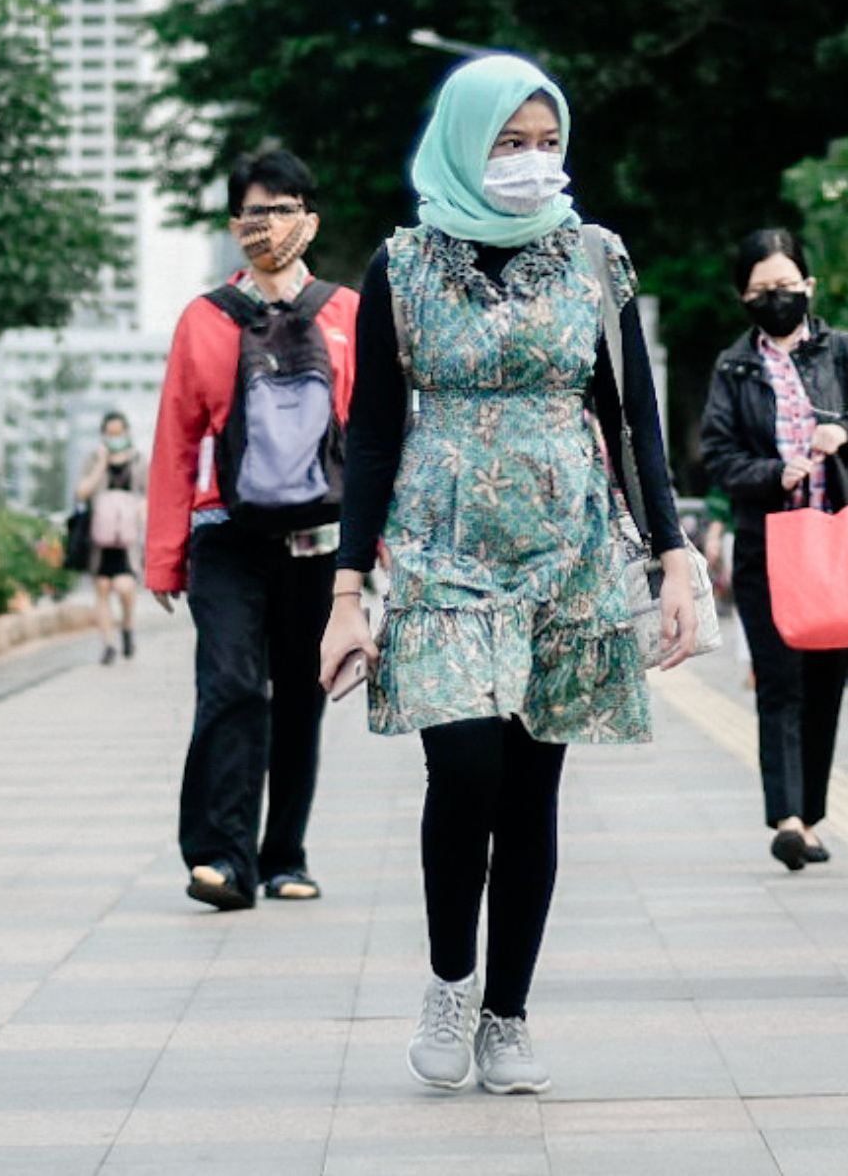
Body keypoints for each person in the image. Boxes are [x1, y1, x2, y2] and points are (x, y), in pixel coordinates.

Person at [320, 54, 697, 1096]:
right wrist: (348, 592)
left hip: (568, 553)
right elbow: (372, 438)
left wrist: (672, 557)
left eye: (546, 144)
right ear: (460, 142)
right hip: (442, 554)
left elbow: (636, 423)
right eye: (507, 142)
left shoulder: (593, 259)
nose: (530, 164)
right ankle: (449, 978)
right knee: (466, 768)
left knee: (532, 788)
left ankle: (508, 1016)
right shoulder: (398, 268)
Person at [146, 147, 359, 911]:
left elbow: (371, 438)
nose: (262, 224)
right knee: (230, 685)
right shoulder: (204, 319)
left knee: (302, 697)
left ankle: (284, 855)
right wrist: (165, 556)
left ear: (310, 216)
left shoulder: (347, 313)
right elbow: (174, 438)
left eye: (279, 207)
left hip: (320, 540)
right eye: (250, 210)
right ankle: (219, 858)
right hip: (226, 536)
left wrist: (375, 549)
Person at [697, 228, 848, 873]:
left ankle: (810, 815)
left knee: (826, 684)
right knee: (780, 683)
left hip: (841, 544)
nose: (777, 298)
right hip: (769, 548)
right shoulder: (735, 368)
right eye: (763, 289)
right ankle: (786, 819)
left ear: (809, 286)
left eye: (787, 285)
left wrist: (843, 428)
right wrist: (771, 474)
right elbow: (719, 455)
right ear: (743, 296)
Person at [72, 411, 144, 664]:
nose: (114, 438)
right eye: (110, 433)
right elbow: (80, 493)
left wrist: (139, 514)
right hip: (99, 537)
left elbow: (147, 494)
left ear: (126, 432)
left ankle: (127, 627)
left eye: (119, 433)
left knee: (125, 587)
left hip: (127, 538)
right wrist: (101, 465)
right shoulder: (93, 458)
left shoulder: (137, 460)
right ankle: (108, 644)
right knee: (102, 587)